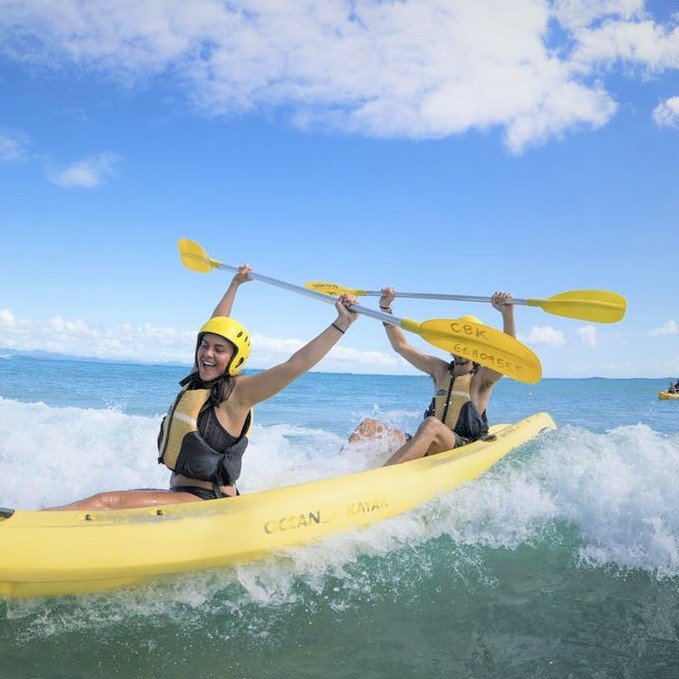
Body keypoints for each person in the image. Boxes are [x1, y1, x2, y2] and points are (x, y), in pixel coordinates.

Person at [49, 267, 358, 510]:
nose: (208, 353)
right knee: (109, 503)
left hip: (207, 503)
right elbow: (216, 322)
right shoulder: (199, 379)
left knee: (107, 502)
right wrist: (235, 284)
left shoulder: (240, 395)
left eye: (219, 350)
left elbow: (295, 366)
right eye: (204, 346)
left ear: (234, 358)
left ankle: (28, 529)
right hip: (184, 497)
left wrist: (341, 324)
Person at [348, 287, 515, 466]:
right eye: (457, 342)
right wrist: (385, 309)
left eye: (467, 343)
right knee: (369, 425)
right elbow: (400, 345)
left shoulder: (482, 379)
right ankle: (335, 470)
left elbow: (509, 356)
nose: (461, 348)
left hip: (461, 447)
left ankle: (382, 475)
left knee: (431, 424)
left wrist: (507, 313)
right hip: (430, 441)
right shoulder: (440, 370)